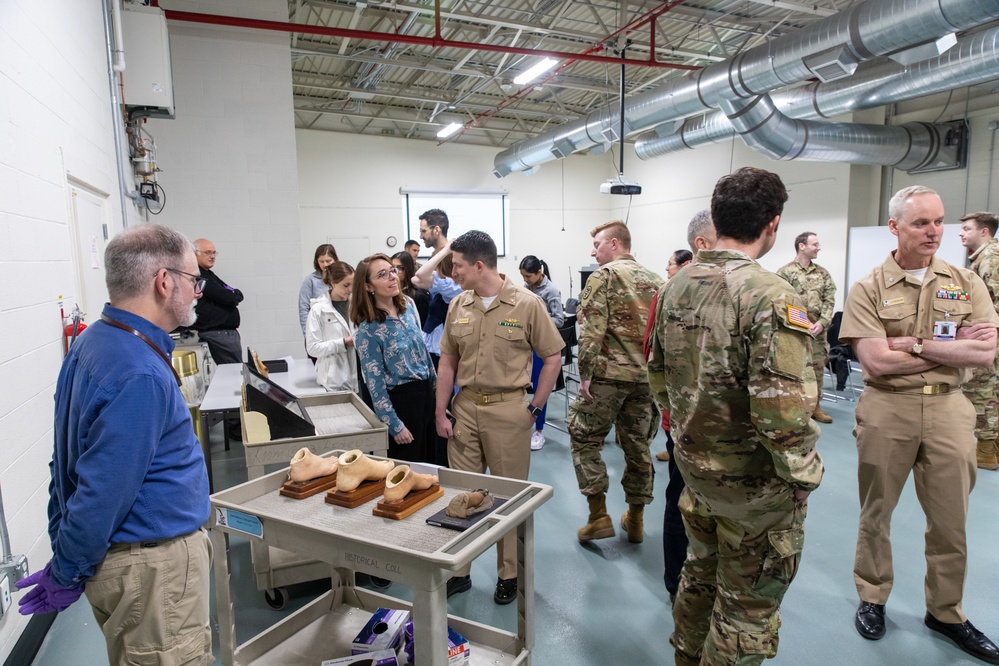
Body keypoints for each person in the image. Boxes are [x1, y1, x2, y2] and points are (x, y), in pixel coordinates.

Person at [649, 168, 823, 666]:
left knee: (699, 576)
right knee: (746, 608)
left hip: (697, 473)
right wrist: (803, 476)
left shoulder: (676, 287)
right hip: (755, 488)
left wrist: (689, 440)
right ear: (773, 224)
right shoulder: (770, 295)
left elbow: (658, 377)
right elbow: (783, 414)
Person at [17, 225, 212, 665]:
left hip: (129, 568)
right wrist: (68, 567)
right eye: (193, 280)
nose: (198, 292)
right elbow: (103, 488)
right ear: (165, 282)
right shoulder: (139, 370)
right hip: (153, 569)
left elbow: (64, 460)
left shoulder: (93, 342)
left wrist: (63, 546)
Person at [841, 186, 999, 664]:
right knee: (877, 512)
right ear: (895, 228)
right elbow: (875, 363)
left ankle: (946, 612)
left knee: (951, 521)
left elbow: (985, 352)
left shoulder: (966, 283)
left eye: (940, 222)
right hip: (889, 410)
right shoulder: (868, 287)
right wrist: (943, 350)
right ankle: (873, 595)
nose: (934, 232)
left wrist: (911, 344)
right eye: (920, 223)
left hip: (951, 411)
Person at [435, 231, 563, 605]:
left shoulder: (527, 304)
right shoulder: (458, 305)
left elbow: (553, 355)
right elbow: (447, 361)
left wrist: (535, 407)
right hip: (465, 409)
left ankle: (509, 573)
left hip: (509, 410)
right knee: (461, 494)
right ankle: (458, 570)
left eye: (457, 265)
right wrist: (441, 409)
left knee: (507, 497)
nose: (452, 272)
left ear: (478, 265)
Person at [569, 221, 663, 545]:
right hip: (645, 379)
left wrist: (585, 374)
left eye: (596, 244)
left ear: (614, 243)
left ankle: (598, 516)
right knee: (638, 447)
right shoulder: (657, 281)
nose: (592, 251)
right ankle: (635, 520)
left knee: (584, 436)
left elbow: (593, 330)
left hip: (608, 377)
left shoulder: (603, 276)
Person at [352, 254, 437, 463]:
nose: (392, 277)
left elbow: (424, 355)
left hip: (426, 395)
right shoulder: (368, 330)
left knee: (434, 464)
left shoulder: (407, 308)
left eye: (392, 271)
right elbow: (375, 385)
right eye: (382, 275)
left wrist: (438, 397)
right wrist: (394, 424)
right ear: (368, 287)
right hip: (402, 404)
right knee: (409, 470)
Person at [776, 232, 837, 424]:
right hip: (795, 331)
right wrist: (802, 322)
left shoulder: (823, 274)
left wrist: (823, 322)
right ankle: (794, 406)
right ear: (802, 246)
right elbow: (782, 301)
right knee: (794, 368)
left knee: (817, 369)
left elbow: (829, 299)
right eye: (815, 244)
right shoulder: (785, 272)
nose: (818, 247)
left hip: (818, 332)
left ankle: (815, 406)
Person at [958, 211, 999, 470]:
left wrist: (984, 338)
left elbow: (994, 304)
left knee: (982, 391)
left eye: (967, 229)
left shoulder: (991, 259)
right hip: (989, 335)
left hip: (989, 337)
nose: (961, 233)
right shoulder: (984, 257)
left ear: (984, 232)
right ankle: (991, 447)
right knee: (991, 391)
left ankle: (985, 451)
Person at [519, 255, 565, 451]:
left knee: (540, 389)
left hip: (540, 348)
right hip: (524, 345)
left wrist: (537, 325)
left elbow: (559, 320)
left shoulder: (551, 291)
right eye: (523, 276)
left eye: (528, 276)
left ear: (540, 272)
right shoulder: (527, 287)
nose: (525, 280)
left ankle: (539, 430)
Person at [305, 261, 358, 392]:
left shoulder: (357, 306)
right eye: (346, 285)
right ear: (333, 283)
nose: (350, 290)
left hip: (358, 375)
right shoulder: (318, 310)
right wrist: (342, 343)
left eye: (353, 285)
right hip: (334, 378)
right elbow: (312, 348)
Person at [191, 238, 243, 364]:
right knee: (233, 374)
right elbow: (229, 297)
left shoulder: (209, 275)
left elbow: (231, 290)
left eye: (214, 253)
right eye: (208, 252)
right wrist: (233, 295)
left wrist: (233, 294)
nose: (212, 256)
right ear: (195, 254)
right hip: (218, 335)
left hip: (224, 335)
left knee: (235, 372)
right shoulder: (199, 276)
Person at [299, 243, 339, 337]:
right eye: (321, 261)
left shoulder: (341, 278)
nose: (325, 264)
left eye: (328, 261)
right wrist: (307, 335)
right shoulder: (310, 280)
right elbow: (303, 309)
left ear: (335, 260)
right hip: (318, 328)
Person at [392, 250, 430, 325]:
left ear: (408, 269)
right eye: (392, 267)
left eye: (400, 268)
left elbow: (421, 325)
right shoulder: (389, 292)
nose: (395, 271)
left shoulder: (419, 295)